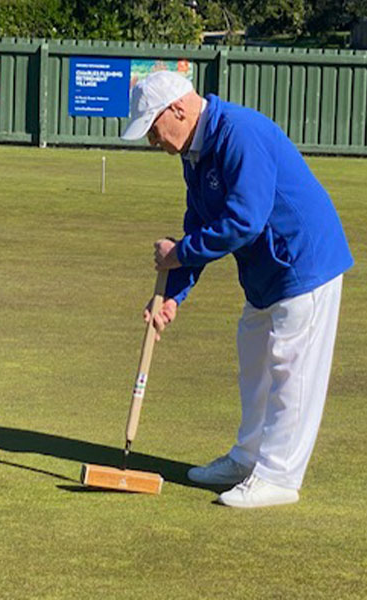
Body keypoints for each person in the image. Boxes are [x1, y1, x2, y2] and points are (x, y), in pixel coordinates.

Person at [122, 71, 353, 508]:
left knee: (291, 368)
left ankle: (279, 477)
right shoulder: (195, 154)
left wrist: (180, 253)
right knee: (254, 361)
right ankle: (247, 458)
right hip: (264, 273)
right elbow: (200, 226)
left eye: (152, 128)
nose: (152, 141)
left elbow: (245, 220)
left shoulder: (239, 134)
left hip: (304, 261)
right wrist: (172, 296)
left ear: (178, 110)